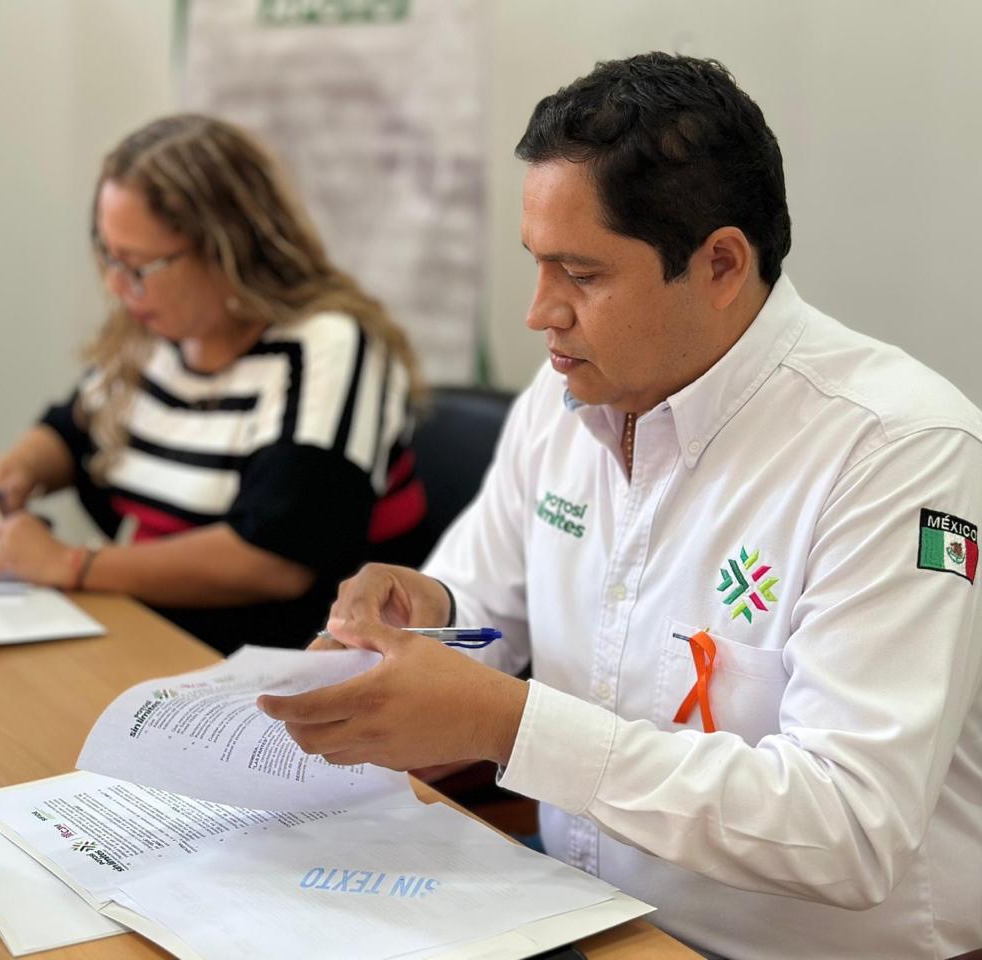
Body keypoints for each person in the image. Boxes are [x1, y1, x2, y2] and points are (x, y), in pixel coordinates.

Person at [258, 54, 982, 960]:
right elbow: (486, 606)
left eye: (581, 273)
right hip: (578, 912)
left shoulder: (898, 452)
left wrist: (506, 722)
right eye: (536, 264)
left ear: (721, 264)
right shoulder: (570, 390)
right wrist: (423, 613)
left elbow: (850, 825)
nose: (541, 312)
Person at [0, 115, 428, 653]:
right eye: (108, 255)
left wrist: (70, 564)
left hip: (288, 660)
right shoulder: (158, 330)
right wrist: (18, 471)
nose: (116, 285)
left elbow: (275, 560)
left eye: (137, 265)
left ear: (226, 251)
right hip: (156, 637)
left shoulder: (328, 346)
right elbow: (74, 429)